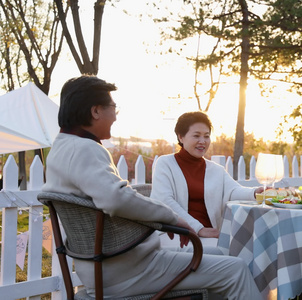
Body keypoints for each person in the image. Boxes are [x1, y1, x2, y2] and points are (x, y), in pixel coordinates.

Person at [42, 75, 261, 299]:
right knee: (236, 269)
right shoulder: (85, 149)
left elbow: (113, 196)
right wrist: (173, 218)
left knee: (219, 253)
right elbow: (116, 199)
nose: (115, 116)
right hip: (127, 269)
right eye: (113, 108)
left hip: (109, 264)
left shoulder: (60, 149)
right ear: (96, 111)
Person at [151, 111, 263, 250]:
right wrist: (198, 228)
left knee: (252, 248)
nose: (203, 141)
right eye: (196, 136)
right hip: (177, 235)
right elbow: (165, 201)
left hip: (210, 235)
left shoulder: (216, 170)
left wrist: (255, 193)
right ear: (181, 137)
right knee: (237, 253)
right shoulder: (165, 163)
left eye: (207, 136)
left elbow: (233, 191)